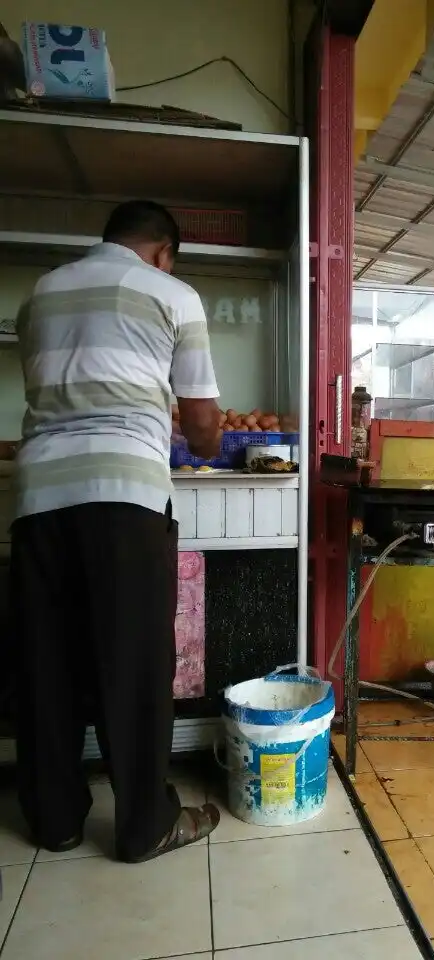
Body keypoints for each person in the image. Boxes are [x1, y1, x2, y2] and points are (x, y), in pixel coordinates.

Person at [11, 200, 223, 861]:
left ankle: (55, 820)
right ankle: (143, 826)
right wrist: (200, 440)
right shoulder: (173, 294)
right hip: (126, 497)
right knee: (132, 663)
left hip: (39, 496)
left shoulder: (40, 294)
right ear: (163, 251)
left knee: (46, 662)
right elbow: (204, 423)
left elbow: (55, 396)